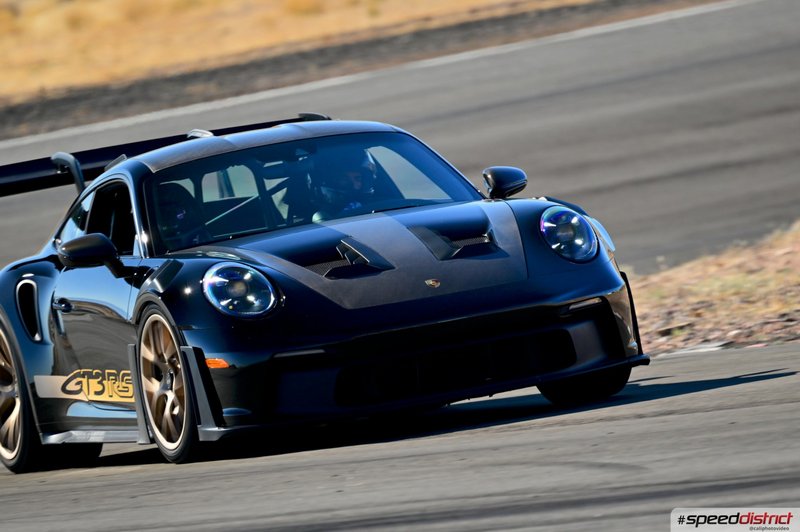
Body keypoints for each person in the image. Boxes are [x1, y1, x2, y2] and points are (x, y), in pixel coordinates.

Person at [310, 148, 377, 222]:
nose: (354, 185)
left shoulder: (378, 204)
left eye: (358, 179)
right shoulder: (327, 213)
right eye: (345, 180)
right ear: (334, 182)